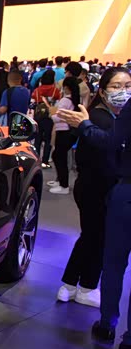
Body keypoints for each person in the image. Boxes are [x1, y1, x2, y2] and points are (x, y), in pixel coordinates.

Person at [57, 67, 131, 307]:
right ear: (102, 90)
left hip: (94, 187)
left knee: (90, 237)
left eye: (127, 86)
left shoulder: (109, 117)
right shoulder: (100, 118)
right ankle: (86, 287)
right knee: (98, 239)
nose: (123, 91)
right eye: (116, 86)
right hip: (99, 188)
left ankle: (70, 285)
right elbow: (108, 150)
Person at [47, 76, 81, 194]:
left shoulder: (65, 101)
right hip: (69, 132)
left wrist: (52, 115)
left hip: (63, 131)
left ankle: (64, 185)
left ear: (66, 87)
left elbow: (59, 116)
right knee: (59, 156)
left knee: (59, 157)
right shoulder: (75, 100)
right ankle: (60, 181)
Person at [32, 69, 61, 168]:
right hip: (50, 116)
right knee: (48, 139)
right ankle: (45, 161)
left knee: (38, 138)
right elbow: (57, 104)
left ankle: (36, 159)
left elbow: (32, 103)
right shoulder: (55, 91)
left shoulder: (37, 90)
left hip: (38, 116)